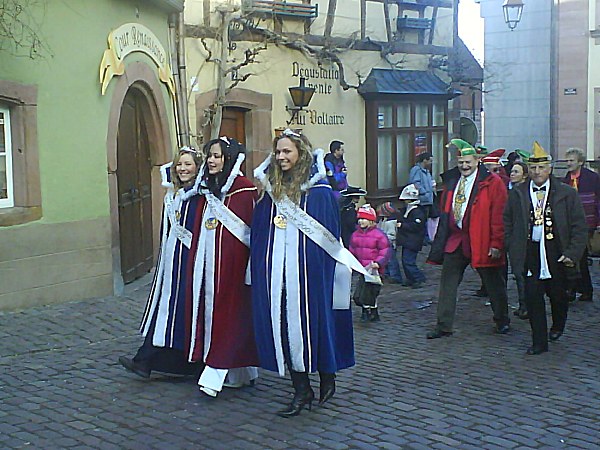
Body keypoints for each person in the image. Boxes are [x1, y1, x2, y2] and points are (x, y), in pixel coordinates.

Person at [251, 129, 355, 417]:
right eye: (279, 152)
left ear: (301, 154)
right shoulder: (271, 190)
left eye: (287, 151)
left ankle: (327, 375)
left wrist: (314, 271)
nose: (282, 157)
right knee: (285, 328)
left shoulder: (319, 192)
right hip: (279, 276)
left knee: (316, 325)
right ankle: (301, 389)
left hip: (310, 275)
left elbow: (328, 239)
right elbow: (261, 233)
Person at [118, 147, 204, 379]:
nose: (183, 169)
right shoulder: (173, 194)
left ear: (197, 166)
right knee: (166, 310)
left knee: (180, 310)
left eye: (188, 164)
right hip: (171, 263)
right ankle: (146, 360)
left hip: (190, 263)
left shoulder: (202, 196)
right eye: (180, 164)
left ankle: (150, 360)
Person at [191, 137, 259, 397]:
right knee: (217, 314)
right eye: (209, 155)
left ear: (229, 158)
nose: (211, 160)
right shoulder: (209, 188)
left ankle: (218, 371)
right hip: (209, 264)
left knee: (231, 315)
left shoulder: (244, 189)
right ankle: (238, 370)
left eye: (217, 156)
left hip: (234, 266)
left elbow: (247, 232)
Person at [504, 142, 587, 355]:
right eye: (533, 168)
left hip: (556, 251)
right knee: (532, 297)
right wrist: (512, 247)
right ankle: (538, 341)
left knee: (558, 296)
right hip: (529, 250)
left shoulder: (566, 193)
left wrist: (572, 253)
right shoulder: (518, 193)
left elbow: (579, 226)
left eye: (541, 168)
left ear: (549, 169)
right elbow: (508, 221)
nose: (537, 172)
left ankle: (558, 324)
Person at [426, 139, 510, 339]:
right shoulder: (452, 181)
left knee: (492, 282)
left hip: (481, 239)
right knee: (448, 282)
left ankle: (502, 319)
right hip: (456, 238)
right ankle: (443, 324)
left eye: (468, 162)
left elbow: (499, 215)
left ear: (477, 161)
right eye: (461, 162)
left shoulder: (492, 183)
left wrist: (497, 243)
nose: (464, 166)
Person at [562, 147, 600, 302]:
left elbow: (598, 200)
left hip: (587, 222)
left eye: (571, 161)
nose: (568, 164)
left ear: (581, 162)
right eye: (567, 161)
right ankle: (581, 288)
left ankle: (576, 289)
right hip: (570, 222)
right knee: (576, 256)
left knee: (579, 255)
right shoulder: (566, 178)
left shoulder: (592, 178)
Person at [350, 204, 390, 322]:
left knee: (369, 293)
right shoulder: (355, 235)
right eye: (360, 219)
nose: (361, 221)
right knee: (360, 294)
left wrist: (378, 262)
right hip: (363, 268)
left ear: (371, 220)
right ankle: (370, 310)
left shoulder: (379, 235)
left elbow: (385, 250)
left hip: (374, 269)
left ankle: (369, 312)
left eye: (364, 219)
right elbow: (352, 250)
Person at [507, 162, 529, 319]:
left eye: (516, 171)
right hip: (515, 239)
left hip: (523, 240)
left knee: (521, 274)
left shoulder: (523, 193)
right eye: (512, 171)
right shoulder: (512, 191)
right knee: (519, 273)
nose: (512, 174)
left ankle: (525, 305)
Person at [396, 184, 427, 289]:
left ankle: (418, 278)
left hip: (413, 240)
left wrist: (403, 225)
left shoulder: (417, 212)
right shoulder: (409, 210)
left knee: (409, 261)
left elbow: (417, 226)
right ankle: (411, 279)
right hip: (407, 240)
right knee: (405, 261)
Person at [376, 202, 403, 284]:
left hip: (389, 243)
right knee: (385, 260)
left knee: (391, 261)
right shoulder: (383, 220)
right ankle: (386, 273)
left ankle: (395, 276)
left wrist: (385, 239)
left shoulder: (390, 222)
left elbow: (392, 235)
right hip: (383, 243)